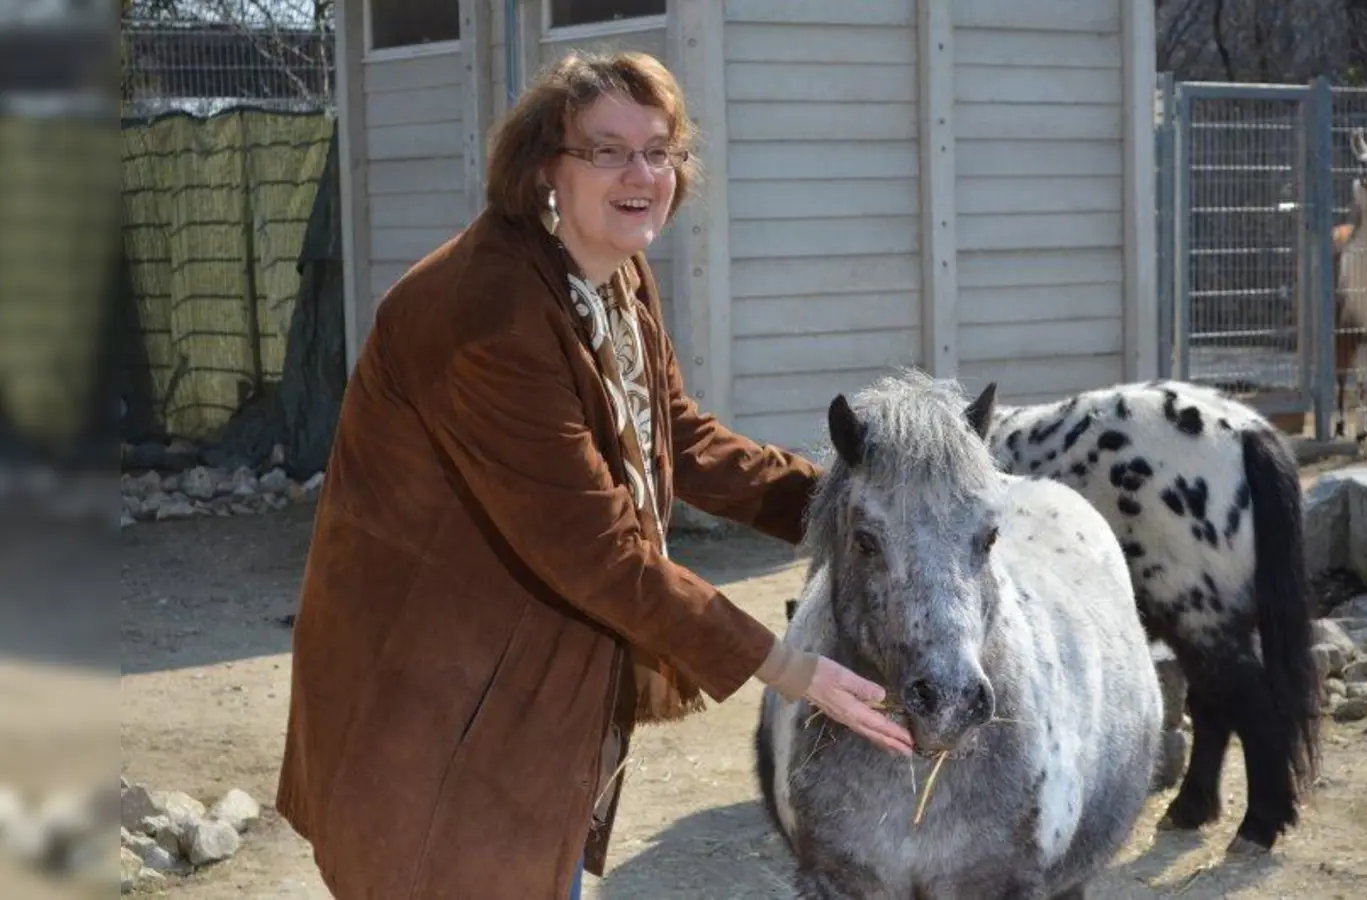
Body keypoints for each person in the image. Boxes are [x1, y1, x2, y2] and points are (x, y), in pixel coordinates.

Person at [273, 49, 913, 900]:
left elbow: (675, 437)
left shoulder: (606, 273)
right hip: (433, 701)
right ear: (545, 166)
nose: (640, 173)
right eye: (606, 150)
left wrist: (854, 505)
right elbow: (595, 551)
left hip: (520, 690)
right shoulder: (486, 312)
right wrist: (792, 669)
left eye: (659, 150)